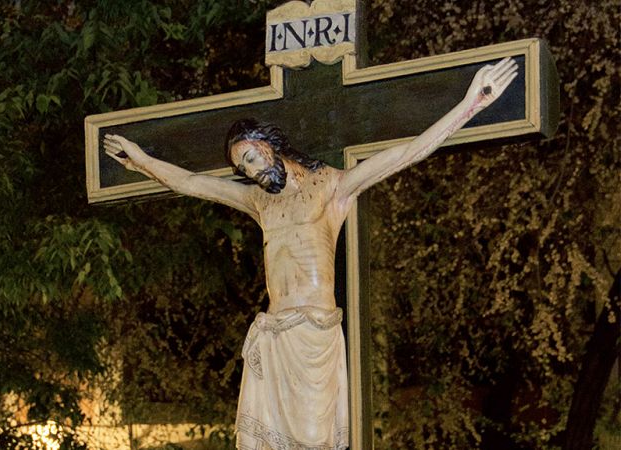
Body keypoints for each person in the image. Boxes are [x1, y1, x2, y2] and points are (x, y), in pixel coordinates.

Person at [104, 57, 518, 450]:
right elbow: (192, 183)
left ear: (269, 146)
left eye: (250, 158)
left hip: (314, 336)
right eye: (242, 169)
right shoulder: (259, 203)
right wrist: (141, 161)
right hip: (275, 334)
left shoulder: (333, 187)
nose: (249, 172)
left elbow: (405, 154)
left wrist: (471, 103)